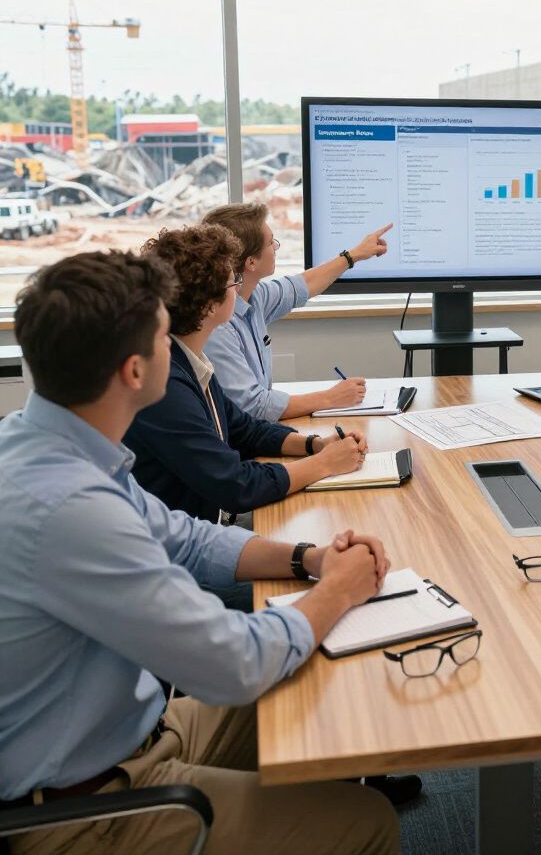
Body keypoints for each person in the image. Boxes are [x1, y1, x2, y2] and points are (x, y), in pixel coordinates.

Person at [0, 249, 399, 855]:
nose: (179, 348)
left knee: (316, 691)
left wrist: (309, 558)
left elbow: (187, 537)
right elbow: (230, 664)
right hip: (85, 809)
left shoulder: (49, 447)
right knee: (367, 822)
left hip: (138, 731)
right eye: (165, 334)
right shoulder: (70, 509)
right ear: (135, 371)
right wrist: (337, 590)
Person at [124, 225, 367, 529]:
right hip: (180, 553)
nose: (239, 290)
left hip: (205, 527)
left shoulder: (190, 361)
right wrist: (324, 464)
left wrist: (315, 445)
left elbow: (245, 431)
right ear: (208, 305)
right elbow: (237, 485)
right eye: (233, 283)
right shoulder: (166, 387)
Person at [202, 203, 392, 420]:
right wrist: (330, 398)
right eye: (270, 242)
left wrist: (354, 256)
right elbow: (253, 406)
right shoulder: (217, 325)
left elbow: (301, 285)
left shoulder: (254, 297)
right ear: (251, 262)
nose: (275, 247)